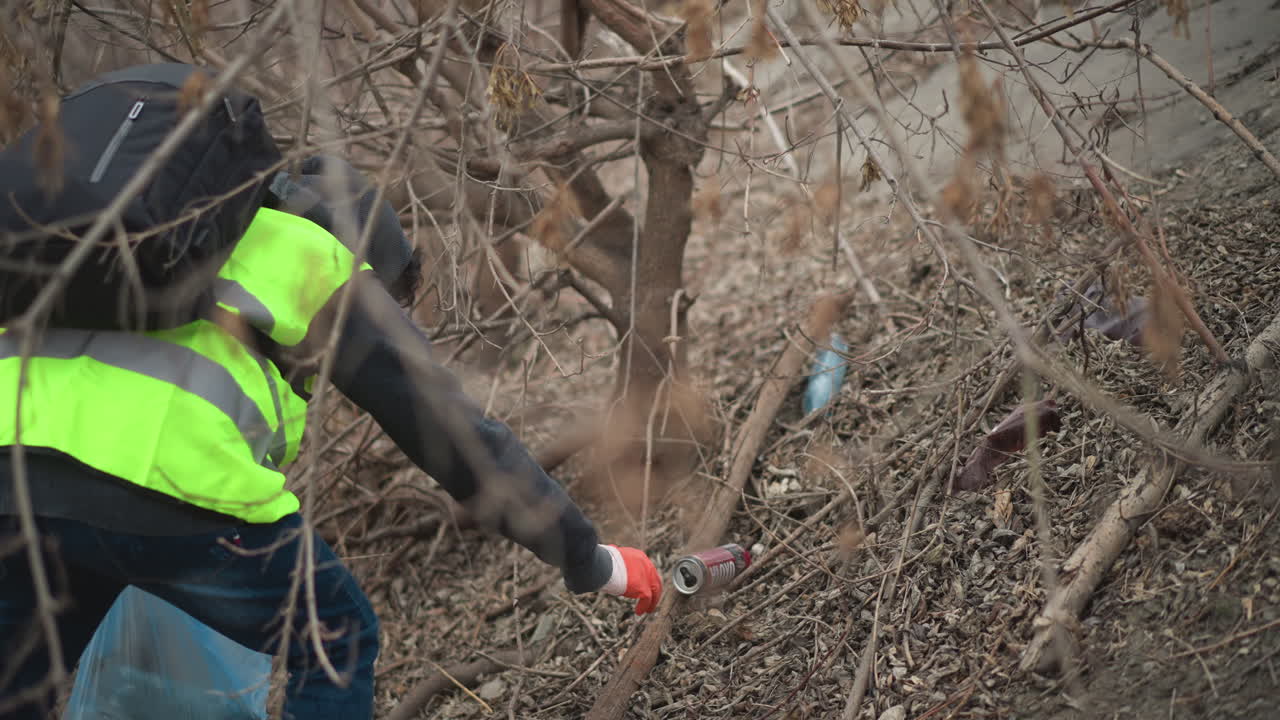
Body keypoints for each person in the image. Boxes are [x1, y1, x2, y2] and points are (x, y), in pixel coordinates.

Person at [0, 155, 661, 720]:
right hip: (164, 477)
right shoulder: (314, 261)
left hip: (16, 470)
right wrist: (588, 558)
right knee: (335, 635)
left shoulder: (178, 229)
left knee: (19, 680)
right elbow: (453, 434)